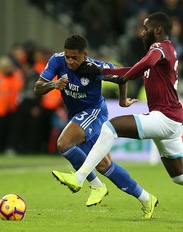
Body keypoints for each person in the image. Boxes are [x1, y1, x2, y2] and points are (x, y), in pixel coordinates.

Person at [52, 12, 183, 221]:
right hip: (172, 120)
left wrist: (115, 74)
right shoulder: (162, 51)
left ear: (158, 30)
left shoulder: (160, 47)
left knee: (110, 128)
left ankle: (80, 178)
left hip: (164, 118)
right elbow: (132, 69)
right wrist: (103, 72)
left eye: (146, 29)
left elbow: (141, 66)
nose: (142, 33)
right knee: (180, 176)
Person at [34, 34, 157, 218]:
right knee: (103, 164)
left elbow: (122, 76)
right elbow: (37, 87)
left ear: (85, 54)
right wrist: (54, 84)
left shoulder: (94, 67)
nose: (70, 61)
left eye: (74, 57)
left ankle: (87, 182)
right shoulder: (57, 60)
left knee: (63, 143)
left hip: (94, 112)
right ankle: (146, 198)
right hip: (76, 116)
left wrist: (123, 101)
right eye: (67, 56)